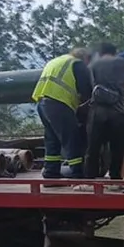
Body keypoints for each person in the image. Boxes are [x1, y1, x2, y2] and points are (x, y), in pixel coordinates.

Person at [32, 48, 93, 179]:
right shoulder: (77, 64)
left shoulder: (56, 61)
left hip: (42, 102)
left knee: (52, 139)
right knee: (71, 138)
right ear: (85, 58)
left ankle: (51, 172)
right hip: (59, 103)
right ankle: (77, 172)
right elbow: (86, 89)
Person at [84, 42, 124, 181]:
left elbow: (89, 85)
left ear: (101, 52)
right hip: (118, 110)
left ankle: (90, 176)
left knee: (93, 145)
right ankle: (115, 175)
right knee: (117, 145)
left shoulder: (93, 65)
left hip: (98, 109)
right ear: (115, 51)